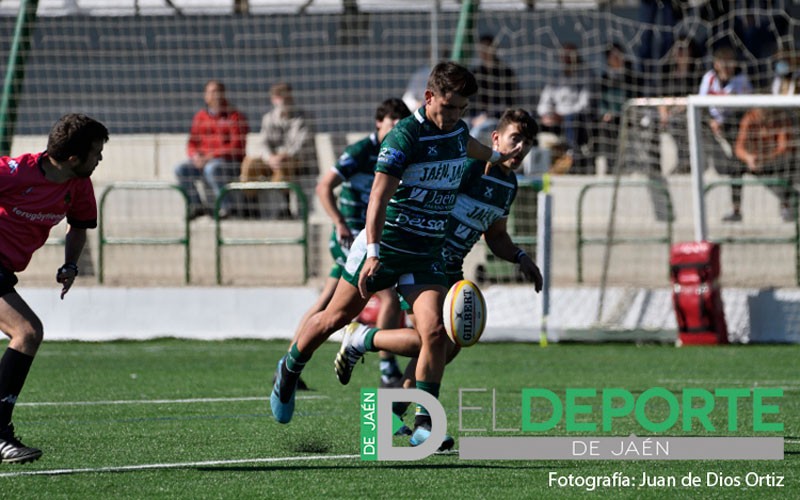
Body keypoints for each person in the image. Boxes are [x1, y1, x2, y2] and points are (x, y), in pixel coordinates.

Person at [269, 62, 523, 447]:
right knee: (334, 318)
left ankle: (424, 425)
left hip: (425, 254)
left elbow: (470, 147)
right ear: (428, 97)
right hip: (386, 245)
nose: (453, 115)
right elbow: (378, 197)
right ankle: (288, 371)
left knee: (435, 333)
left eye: (461, 109)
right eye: (448, 107)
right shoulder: (404, 137)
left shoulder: (456, 131)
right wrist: (371, 252)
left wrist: (498, 156)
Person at [334, 109, 544, 440]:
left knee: (445, 347)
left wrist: (520, 257)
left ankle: (388, 415)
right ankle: (367, 345)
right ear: (496, 139)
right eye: (515, 139)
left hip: (449, 267)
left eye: (528, 144)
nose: (521, 149)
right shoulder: (467, 167)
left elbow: (496, 235)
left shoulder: (509, 185)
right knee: (430, 340)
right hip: (421, 257)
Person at [0, 113, 109, 464]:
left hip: (4, 269)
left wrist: (70, 264)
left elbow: (78, 225)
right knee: (27, 332)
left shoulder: (77, 184)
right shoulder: (15, 172)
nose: (100, 159)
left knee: (27, 333)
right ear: (73, 158)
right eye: (96, 152)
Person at [286, 98, 412, 389]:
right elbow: (323, 187)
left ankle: (289, 364)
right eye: (392, 123)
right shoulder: (361, 152)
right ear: (378, 123)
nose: (396, 129)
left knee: (326, 303)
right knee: (389, 298)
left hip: (372, 237)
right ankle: (387, 368)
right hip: (352, 236)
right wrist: (339, 221)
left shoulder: (400, 153)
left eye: (400, 125)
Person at [174, 80, 248, 219]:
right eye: (210, 92)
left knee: (212, 168)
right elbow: (192, 143)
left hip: (229, 162)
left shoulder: (234, 116)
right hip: (203, 160)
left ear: (223, 94)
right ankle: (196, 206)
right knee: (180, 169)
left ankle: (227, 208)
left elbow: (236, 146)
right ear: (205, 96)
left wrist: (210, 157)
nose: (214, 96)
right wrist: (195, 156)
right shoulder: (201, 116)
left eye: (216, 92)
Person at [240, 82, 316, 218]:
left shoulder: (303, 118)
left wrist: (283, 156)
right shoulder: (268, 118)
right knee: (249, 163)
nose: (284, 100)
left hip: (294, 160)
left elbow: (301, 145)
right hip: (272, 160)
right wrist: (270, 157)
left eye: (286, 96)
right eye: (280, 97)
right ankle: (250, 205)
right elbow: (263, 142)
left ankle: (284, 207)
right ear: (273, 99)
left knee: (283, 166)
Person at [698, 45, 753, 222]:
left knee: (735, 166)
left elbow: (746, 109)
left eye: (730, 61)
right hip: (712, 126)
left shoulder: (741, 80)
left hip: (732, 127)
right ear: (716, 64)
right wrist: (711, 121)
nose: (727, 66)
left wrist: (723, 122)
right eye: (723, 62)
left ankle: (736, 208)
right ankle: (716, 163)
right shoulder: (709, 78)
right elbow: (700, 105)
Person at [734, 99, 797, 223]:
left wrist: (765, 158)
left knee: (788, 163)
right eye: (761, 111)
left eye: (766, 111)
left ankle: (786, 206)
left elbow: (783, 148)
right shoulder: (749, 118)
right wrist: (748, 157)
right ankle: (735, 209)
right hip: (754, 160)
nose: (764, 115)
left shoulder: (780, 120)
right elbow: (738, 148)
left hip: (772, 159)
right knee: (734, 166)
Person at [536, 43, 594, 174]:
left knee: (572, 120)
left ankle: (572, 157)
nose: (567, 59)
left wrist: (562, 116)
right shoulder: (555, 77)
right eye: (564, 55)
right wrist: (547, 114)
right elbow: (543, 103)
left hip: (575, 119)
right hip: (555, 118)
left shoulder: (586, 76)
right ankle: (534, 162)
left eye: (570, 55)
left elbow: (585, 105)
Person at [470, 34, 519, 142]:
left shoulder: (506, 73)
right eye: (481, 48)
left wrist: (487, 116)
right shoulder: (475, 73)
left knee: (475, 134)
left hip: (496, 118)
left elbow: (509, 103)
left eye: (487, 48)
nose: (484, 52)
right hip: (475, 117)